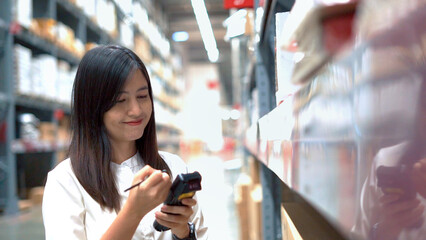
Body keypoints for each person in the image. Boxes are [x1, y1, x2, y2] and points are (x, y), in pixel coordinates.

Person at [42, 45, 208, 240]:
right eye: (120, 100)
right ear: (92, 106)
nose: (136, 110)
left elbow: (199, 233)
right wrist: (133, 212)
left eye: (142, 96)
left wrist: (182, 232)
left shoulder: (174, 167)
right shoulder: (65, 181)